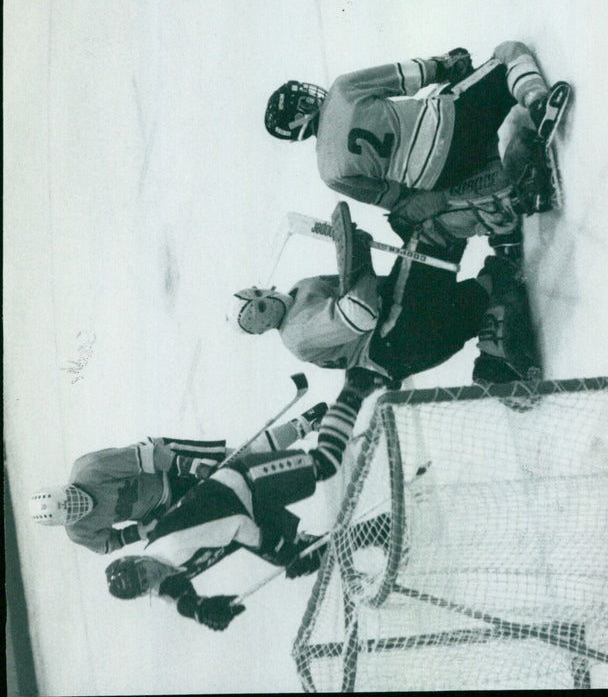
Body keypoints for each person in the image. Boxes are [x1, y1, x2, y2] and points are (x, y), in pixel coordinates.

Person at [104, 369, 387, 630]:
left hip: (247, 483)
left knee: (324, 464)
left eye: (142, 572)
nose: (149, 578)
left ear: (137, 558)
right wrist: (200, 611)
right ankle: (382, 529)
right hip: (245, 514)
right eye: (144, 585)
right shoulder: (162, 578)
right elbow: (177, 598)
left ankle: (354, 388)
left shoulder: (173, 546)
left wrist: (277, 547)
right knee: (306, 552)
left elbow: (238, 525)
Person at [263, 42, 571, 254]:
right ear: (302, 110)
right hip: (456, 123)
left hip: (442, 175)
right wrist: (445, 65)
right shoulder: (342, 90)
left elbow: (395, 198)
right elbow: (410, 75)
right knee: (508, 53)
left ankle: (511, 198)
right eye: (301, 97)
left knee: (457, 181)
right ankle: (537, 102)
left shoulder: (329, 172)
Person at [235, 202, 539, 389]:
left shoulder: (300, 293)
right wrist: (361, 259)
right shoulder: (297, 333)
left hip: (407, 339)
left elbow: (372, 289)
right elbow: (360, 313)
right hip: (394, 338)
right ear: (261, 331)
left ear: (261, 289)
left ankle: (495, 363)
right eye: (258, 314)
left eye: (259, 301)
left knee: (495, 282)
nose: (266, 308)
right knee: (428, 233)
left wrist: (360, 255)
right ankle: (503, 203)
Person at [28, 404, 327, 554]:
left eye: (70, 499)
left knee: (239, 461)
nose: (79, 505)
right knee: (230, 508)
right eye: (72, 511)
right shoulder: (79, 532)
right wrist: (140, 532)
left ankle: (303, 425)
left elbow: (148, 456)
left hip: (165, 465)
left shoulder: (90, 469)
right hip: (160, 507)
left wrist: (194, 466)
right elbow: (109, 543)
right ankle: (295, 538)